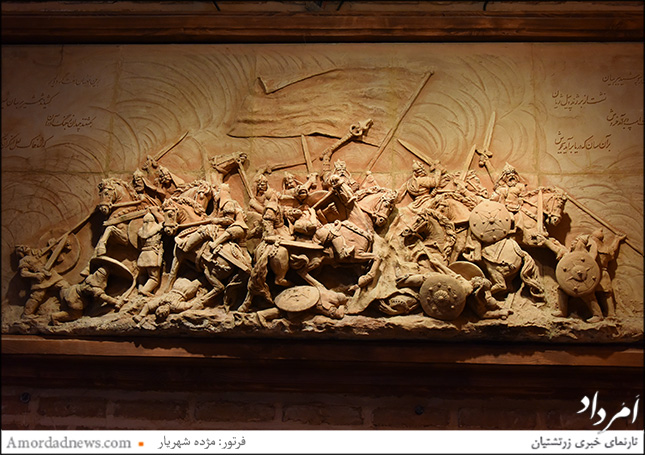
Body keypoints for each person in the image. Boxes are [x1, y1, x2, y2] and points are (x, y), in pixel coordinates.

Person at [15, 244, 68, 317]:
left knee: (65, 286)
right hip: (40, 280)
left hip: (51, 275)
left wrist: (58, 244)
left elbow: (52, 249)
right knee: (36, 297)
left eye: (23, 246)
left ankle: (66, 308)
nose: (24, 247)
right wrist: (36, 275)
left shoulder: (39, 252)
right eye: (21, 248)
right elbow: (23, 273)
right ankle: (27, 314)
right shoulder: (24, 260)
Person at [136, 211, 164, 296]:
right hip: (152, 255)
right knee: (154, 278)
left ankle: (140, 289)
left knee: (143, 275)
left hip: (142, 255)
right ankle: (144, 291)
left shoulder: (140, 231)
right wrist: (155, 211)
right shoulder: (157, 228)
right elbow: (164, 221)